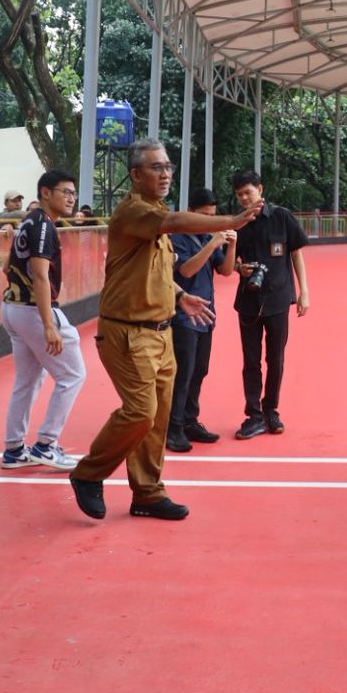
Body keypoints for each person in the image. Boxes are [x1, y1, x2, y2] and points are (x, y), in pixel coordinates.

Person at [68, 139, 257, 521]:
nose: (166, 172)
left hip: (161, 329)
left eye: (168, 166)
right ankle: (89, 473)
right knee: (141, 412)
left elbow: (151, 272)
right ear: (136, 175)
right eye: (156, 167)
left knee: (156, 420)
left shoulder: (154, 211)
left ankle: (148, 493)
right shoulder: (135, 211)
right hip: (127, 332)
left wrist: (181, 295)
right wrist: (230, 222)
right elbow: (173, 223)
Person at [0, 170, 86, 469]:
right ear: (46, 193)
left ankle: (13, 448)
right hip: (33, 310)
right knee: (72, 374)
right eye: (66, 192)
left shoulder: (29, 220)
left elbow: (7, 265)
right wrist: (50, 325)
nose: (71, 197)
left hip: (12, 307)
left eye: (73, 193)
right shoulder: (44, 226)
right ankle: (46, 444)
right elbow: (39, 274)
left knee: (28, 380)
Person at [231, 169, 310, 439]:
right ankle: (253, 415)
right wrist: (238, 268)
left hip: (278, 299)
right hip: (248, 302)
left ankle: (270, 411)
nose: (244, 198)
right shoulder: (237, 223)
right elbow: (229, 261)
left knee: (275, 358)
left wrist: (304, 291)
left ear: (260, 190)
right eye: (239, 194)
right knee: (250, 360)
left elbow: (296, 254)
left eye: (248, 192)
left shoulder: (281, 217)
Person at [167, 187, 237, 453]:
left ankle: (189, 420)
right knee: (183, 372)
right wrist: (212, 242)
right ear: (191, 214)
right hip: (184, 315)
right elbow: (186, 269)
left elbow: (226, 270)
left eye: (212, 215)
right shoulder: (180, 237)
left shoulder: (209, 236)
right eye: (204, 215)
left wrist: (231, 244)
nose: (209, 220)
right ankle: (173, 428)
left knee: (199, 370)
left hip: (206, 315)